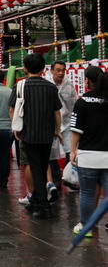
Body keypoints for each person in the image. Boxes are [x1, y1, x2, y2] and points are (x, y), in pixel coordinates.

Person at [9, 53, 63, 219]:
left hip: (28, 133)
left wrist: (15, 128)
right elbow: (57, 111)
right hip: (47, 134)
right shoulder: (51, 87)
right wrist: (58, 130)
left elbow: (12, 109)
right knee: (42, 164)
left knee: (35, 167)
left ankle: (42, 204)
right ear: (44, 68)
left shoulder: (20, 86)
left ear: (25, 68)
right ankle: (38, 202)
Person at [70, 67, 107, 235]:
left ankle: (87, 226)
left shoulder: (82, 102)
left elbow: (76, 130)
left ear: (87, 81)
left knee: (87, 193)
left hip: (87, 155)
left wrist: (72, 151)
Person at [49, 60, 78, 192]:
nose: (60, 73)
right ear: (52, 71)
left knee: (69, 150)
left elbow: (74, 105)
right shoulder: (48, 84)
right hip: (51, 123)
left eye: (62, 70)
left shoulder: (69, 85)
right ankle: (56, 179)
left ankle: (67, 177)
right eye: (58, 70)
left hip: (67, 122)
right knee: (52, 153)